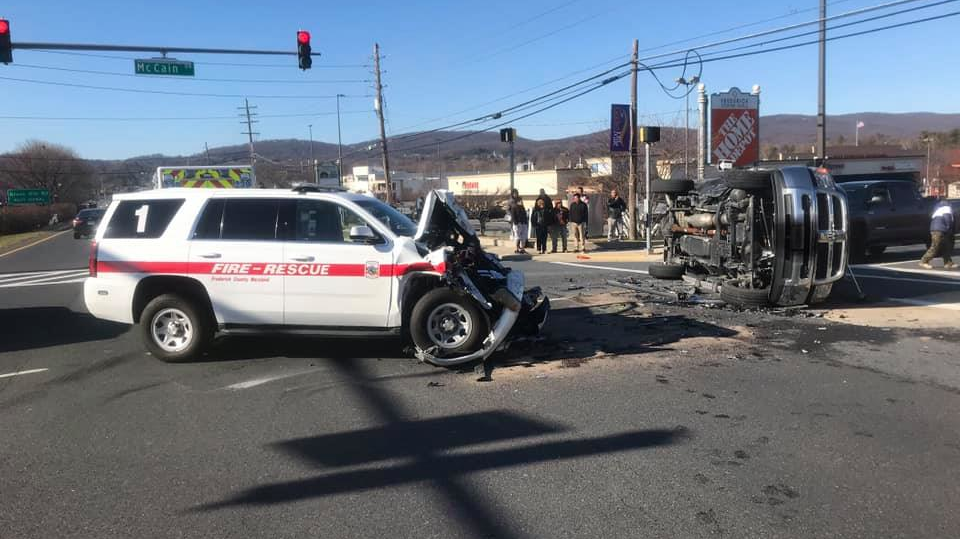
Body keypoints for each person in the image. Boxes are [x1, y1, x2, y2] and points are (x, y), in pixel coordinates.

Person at [920, 198, 956, 269]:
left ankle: (948, 263)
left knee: (946, 246)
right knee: (935, 247)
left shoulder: (938, 209)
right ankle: (924, 261)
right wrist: (950, 230)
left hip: (936, 229)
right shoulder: (947, 208)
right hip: (940, 230)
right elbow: (947, 219)